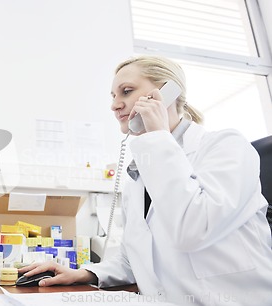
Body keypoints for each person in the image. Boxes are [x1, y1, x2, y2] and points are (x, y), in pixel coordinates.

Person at [19, 55, 272, 305]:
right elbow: (134, 260)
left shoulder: (226, 146)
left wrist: (158, 135)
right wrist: (86, 273)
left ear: (166, 92)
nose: (115, 105)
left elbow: (194, 229)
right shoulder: (141, 177)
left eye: (126, 92)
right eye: (113, 96)